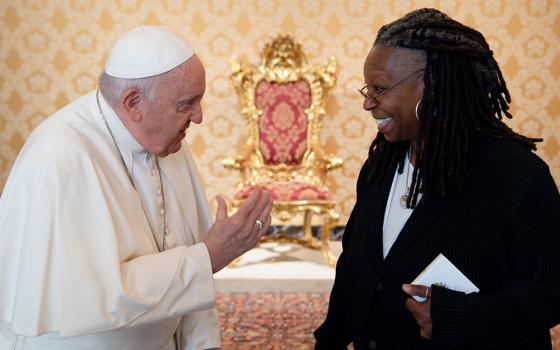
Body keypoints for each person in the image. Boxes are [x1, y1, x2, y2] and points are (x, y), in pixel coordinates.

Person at [0, 26, 273, 349]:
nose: (198, 117)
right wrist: (209, 256)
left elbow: (190, 265)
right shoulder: (58, 159)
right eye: (186, 104)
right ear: (133, 103)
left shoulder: (169, 143)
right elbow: (94, 295)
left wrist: (203, 343)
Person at [315, 8, 560, 350]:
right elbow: (353, 268)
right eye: (366, 89)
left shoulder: (518, 175)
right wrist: (330, 340)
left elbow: (551, 291)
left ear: (433, 85)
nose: (368, 103)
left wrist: (459, 317)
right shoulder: (380, 166)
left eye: (380, 88)